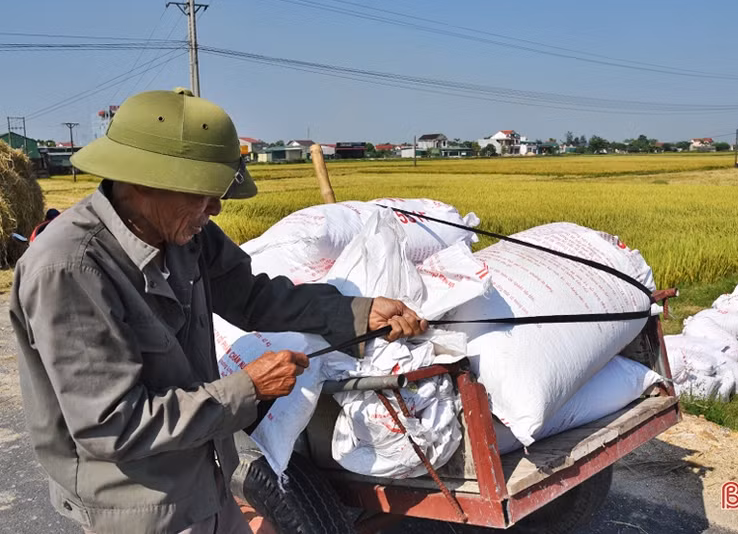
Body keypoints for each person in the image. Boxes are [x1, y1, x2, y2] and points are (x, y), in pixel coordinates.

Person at [9, 88, 427, 534]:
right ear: (140, 182)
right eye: (203, 192)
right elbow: (112, 425)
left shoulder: (186, 233)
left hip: (206, 480)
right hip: (141, 507)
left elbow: (253, 297)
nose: (216, 208)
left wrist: (358, 313)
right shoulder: (70, 269)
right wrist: (246, 389)